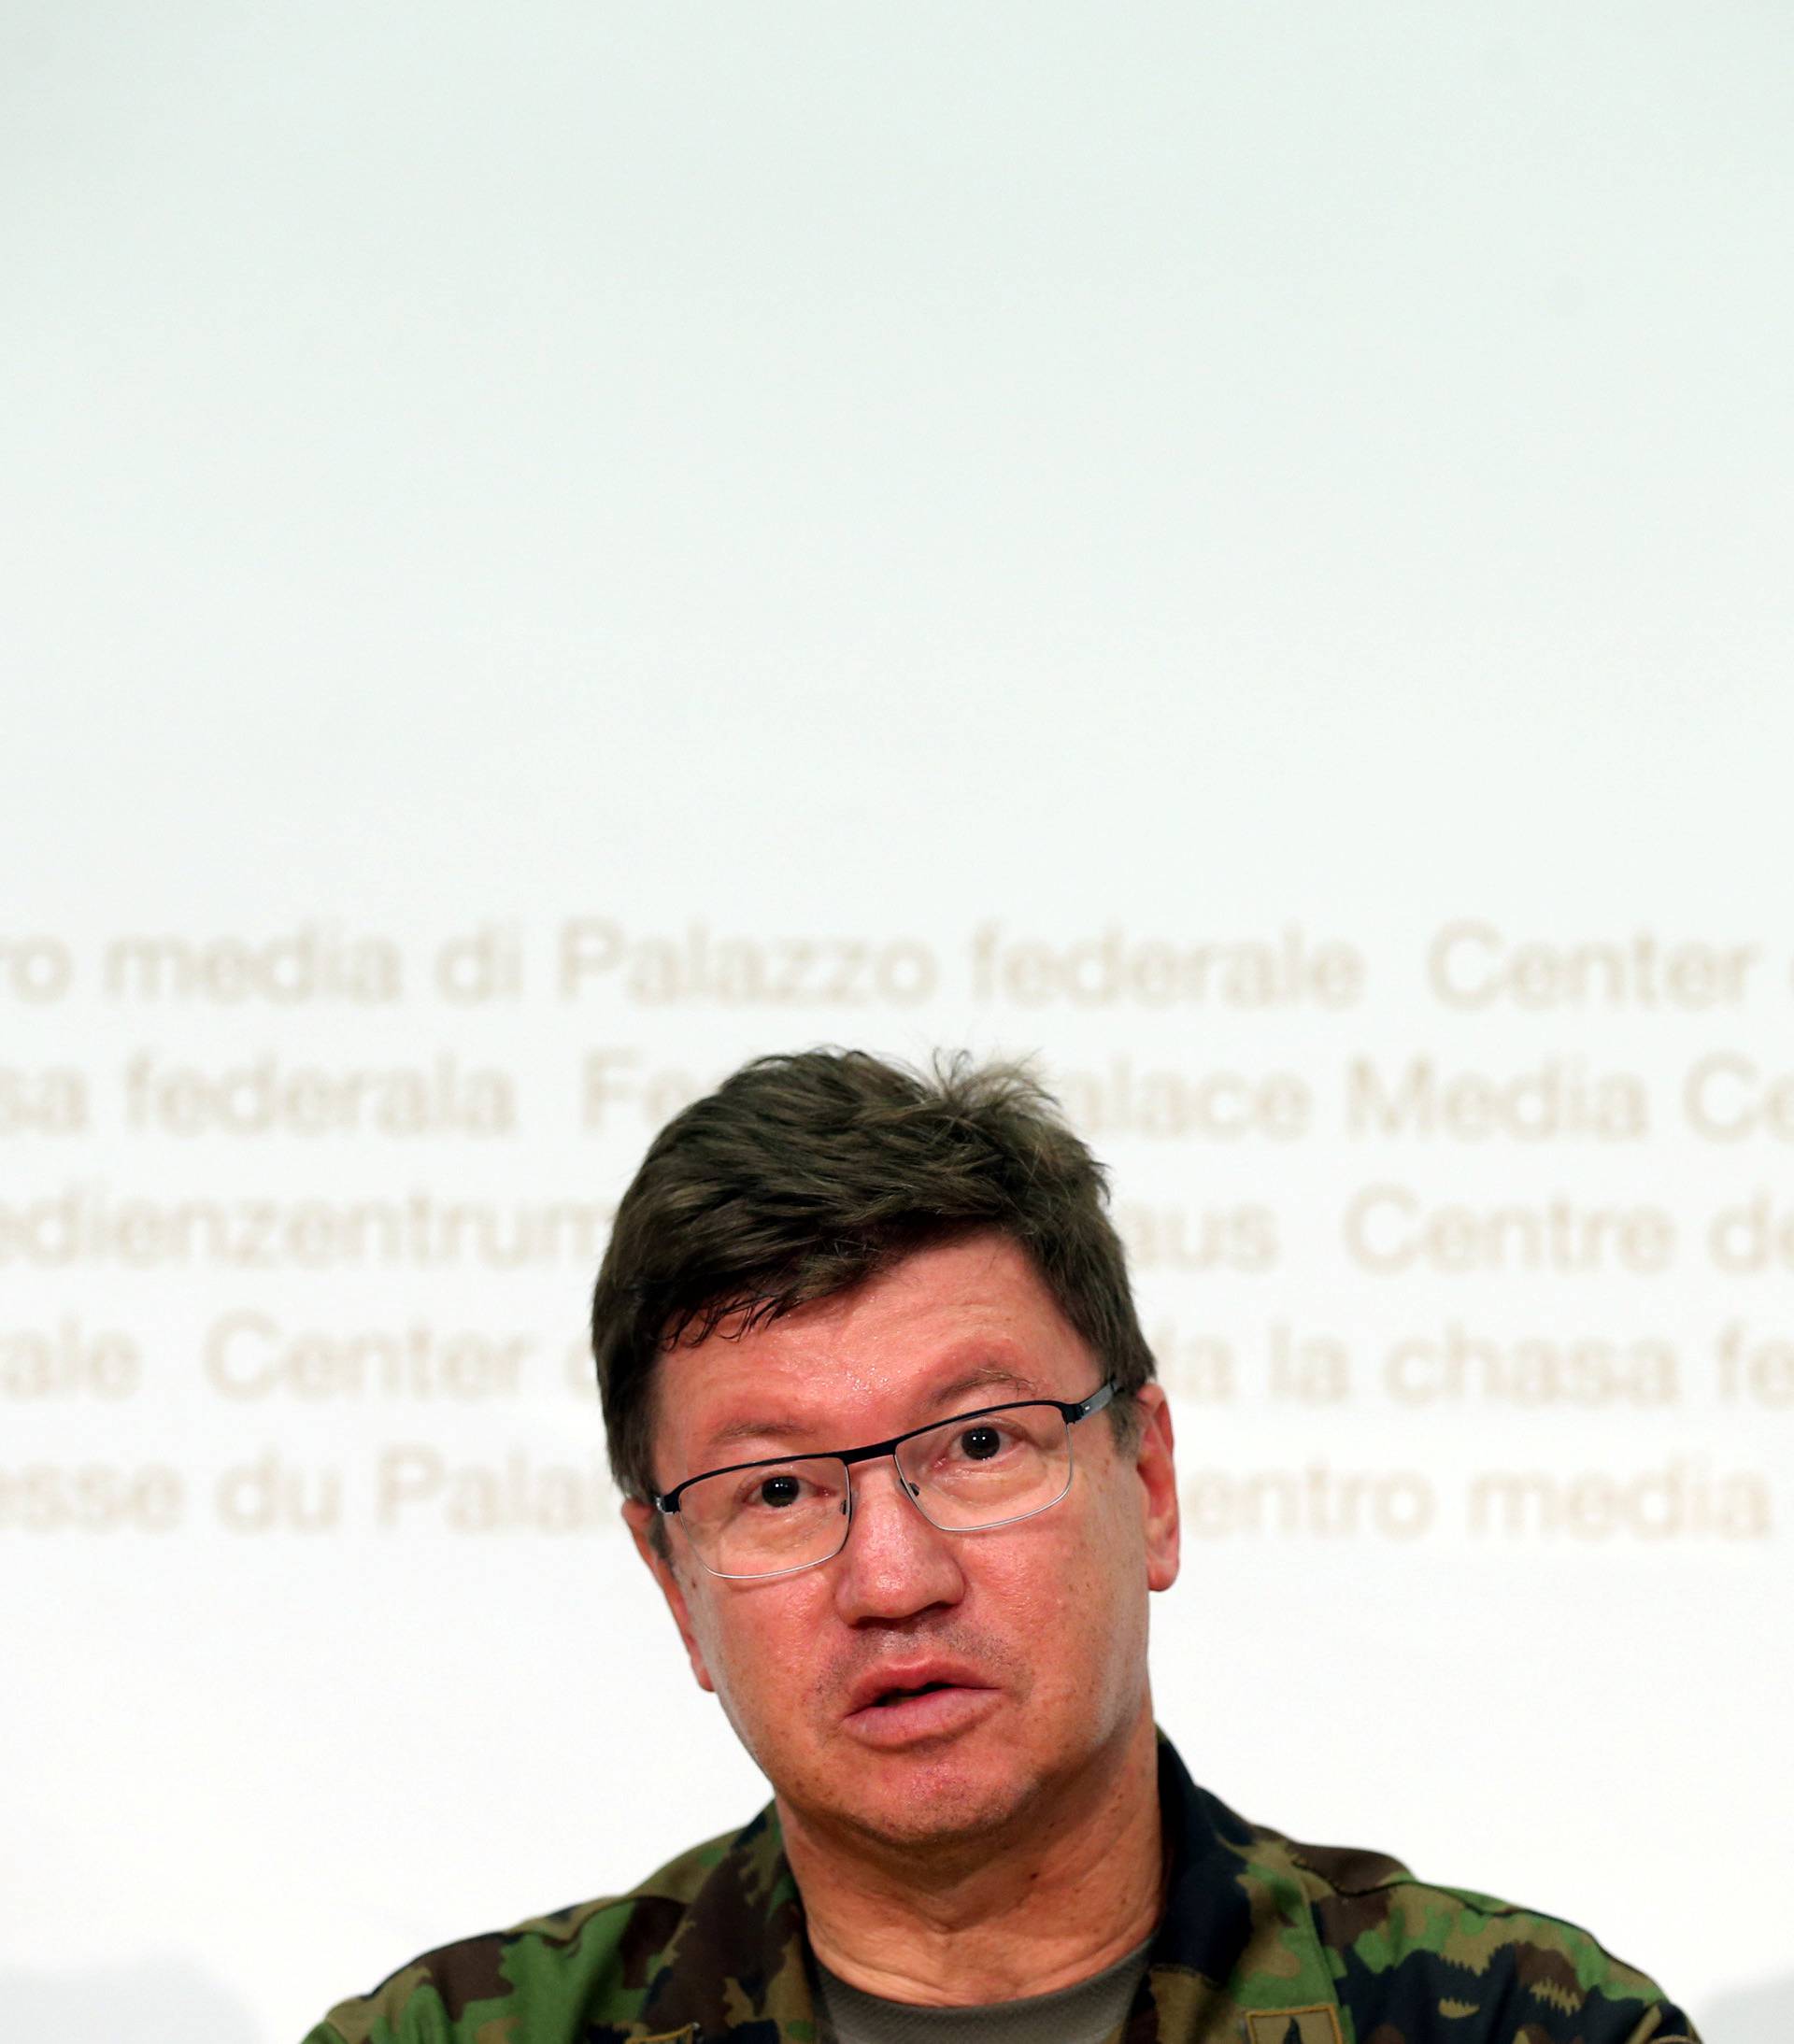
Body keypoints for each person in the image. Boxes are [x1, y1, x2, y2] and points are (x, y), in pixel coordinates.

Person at [306, 1049, 1700, 2044]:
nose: (893, 1580)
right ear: (675, 1589)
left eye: (979, 1447)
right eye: (777, 1492)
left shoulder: (1520, 2022)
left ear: (1146, 1480)